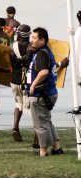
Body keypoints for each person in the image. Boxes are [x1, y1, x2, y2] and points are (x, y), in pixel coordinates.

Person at [26, 27, 63, 157]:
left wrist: (33, 85)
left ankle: (43, 151)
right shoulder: (43, 51)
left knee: (40, 124)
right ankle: (57, 147)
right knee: (46, 121)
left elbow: (44, 72)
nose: (32, 40)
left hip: (40, 94)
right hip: (48, 92)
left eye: (34, 38)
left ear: (42, 40)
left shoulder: (41, 53)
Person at [9, 24, 36, 144]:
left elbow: (11, 64)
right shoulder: (32, 47)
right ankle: (36, 135)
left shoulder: (11, 47)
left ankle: (15, 126)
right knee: (34, 107)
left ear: (18, 34)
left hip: (14, 79)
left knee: (18, 104)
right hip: (28, 80)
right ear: (29, 35)